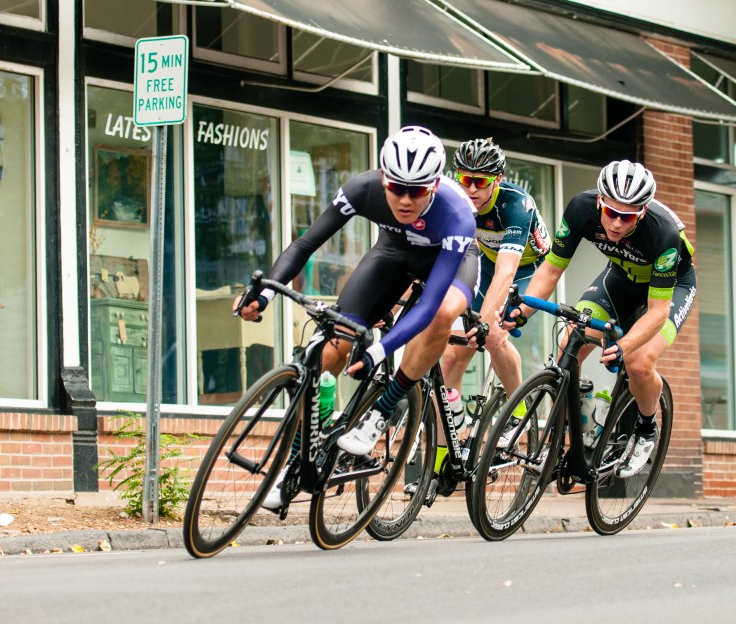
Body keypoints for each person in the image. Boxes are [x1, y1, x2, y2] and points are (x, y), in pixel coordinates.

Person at [235, 126, 478, 509]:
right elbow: (305, 244)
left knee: (443, 314)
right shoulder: (361, 189)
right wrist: (264, 292)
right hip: (393, 253)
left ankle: (381, 412)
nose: (404, 199)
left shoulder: (458, 214)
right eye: (396, 187)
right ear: (383, 178)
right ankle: (298, 463)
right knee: (332, 346)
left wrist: (380, 351)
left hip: (449, 263)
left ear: (433, 185)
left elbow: (429, 304)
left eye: (416, 191)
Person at [503, 160, 696, 478]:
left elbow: (658, 312)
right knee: (569, 341)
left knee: (638, 361)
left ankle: (646, 429)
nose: (617, 223)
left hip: (670, 290)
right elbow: (551, 269)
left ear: (642, 213)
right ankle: (574, 426)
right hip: (619, 279)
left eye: (628, 216)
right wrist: (523, 311)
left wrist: (623, 346)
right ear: (599, 202)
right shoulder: (580, 208)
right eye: (611, 212)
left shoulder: (663, 234)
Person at [440, 138, 550, 449]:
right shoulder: (455, 201)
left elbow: (508, 272)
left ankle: (518, 412)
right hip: (486, 263)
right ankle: (456, 425)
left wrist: (486, 321)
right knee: (451, 354)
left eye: (480, 181)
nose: (471, 189)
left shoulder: (516, 204)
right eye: (464, 179)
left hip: (530, 269)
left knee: (493, 336)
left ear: (497, 179)